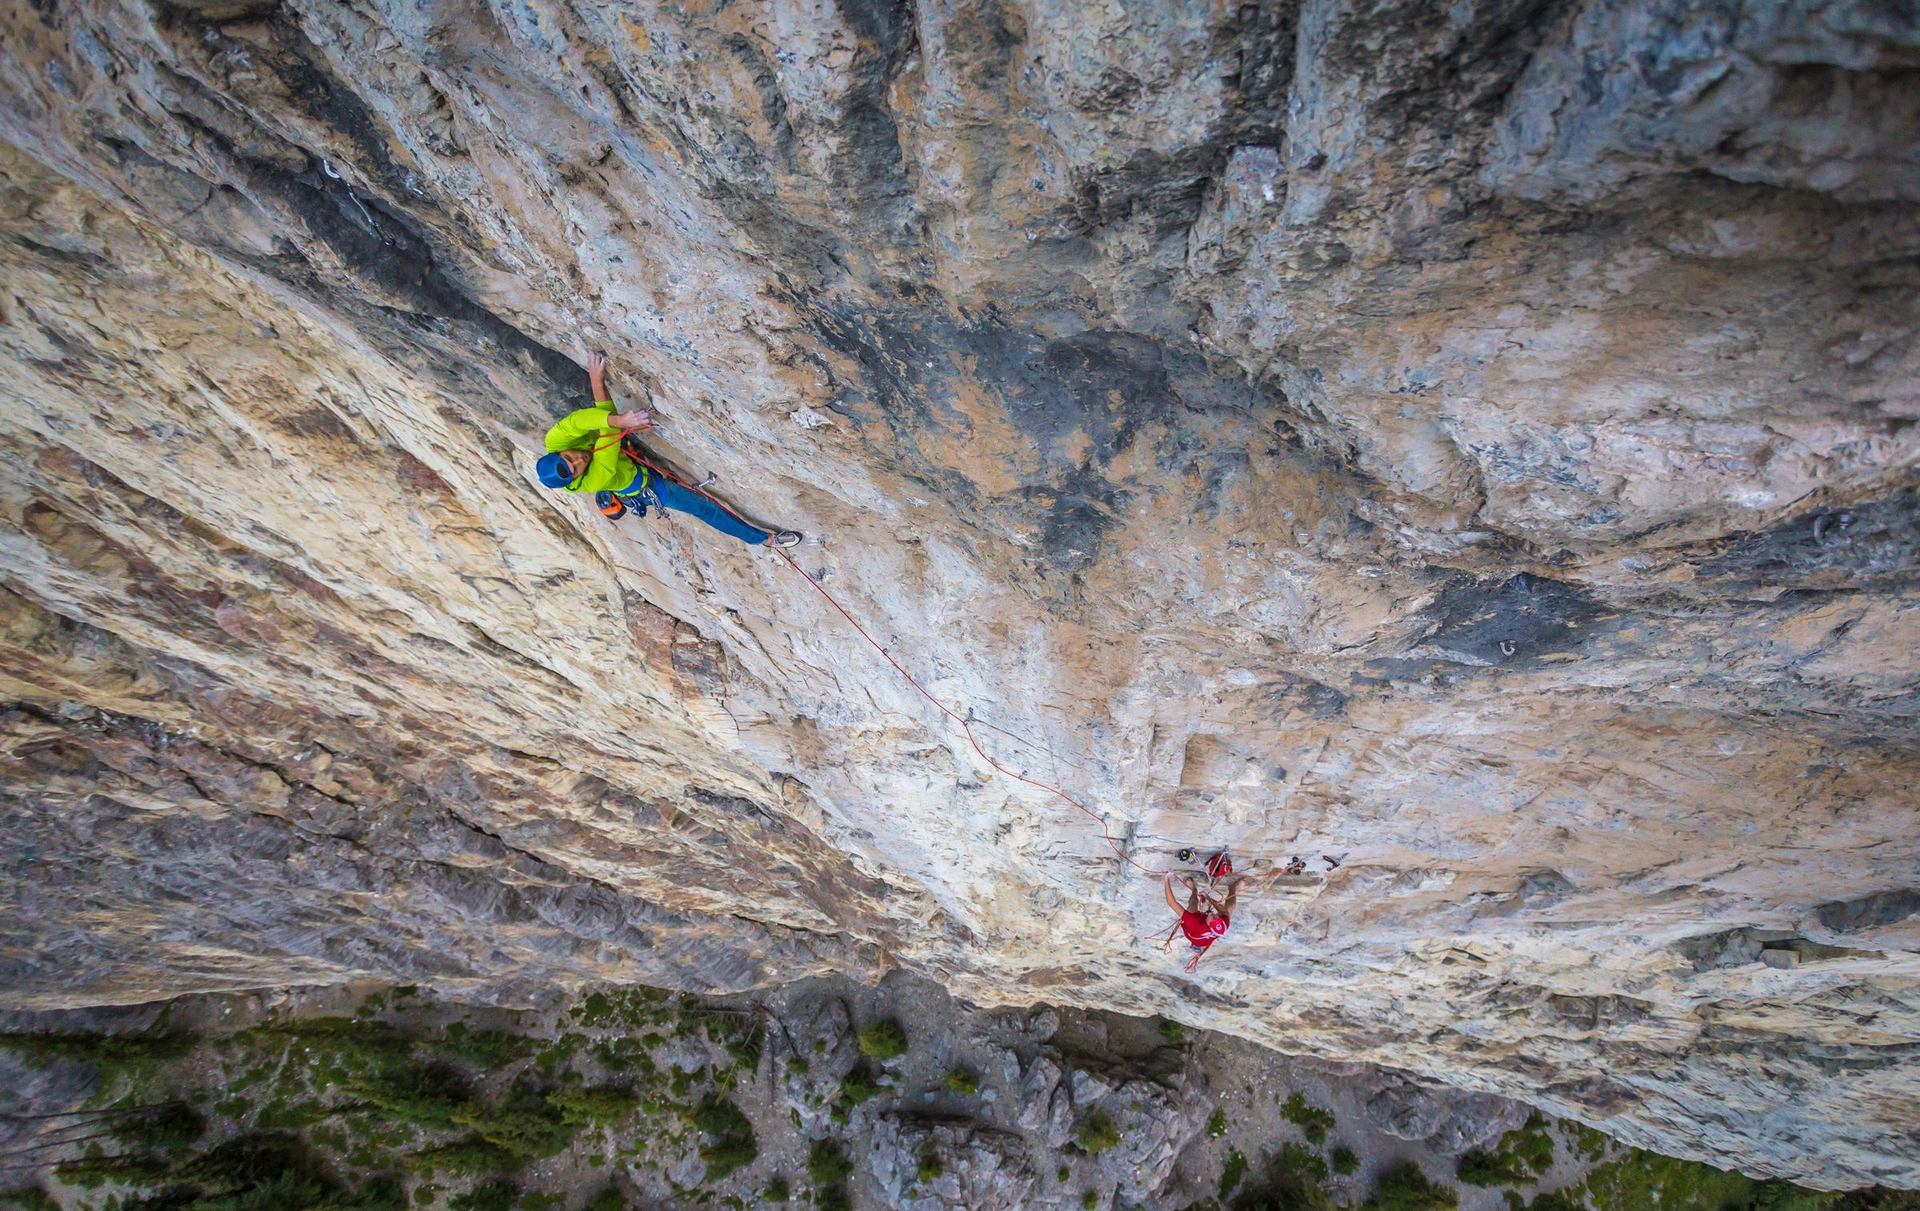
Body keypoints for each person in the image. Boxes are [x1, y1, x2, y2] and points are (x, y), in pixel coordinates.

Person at [536, 353, 801, 549]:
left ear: (559, 452)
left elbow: (581, 421)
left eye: (570, 458)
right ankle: (765, 540)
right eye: (575, 469)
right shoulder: (594, 480)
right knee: (703, 508)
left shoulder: (556, 438)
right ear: (575, 479)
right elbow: (609, 432)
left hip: (629, 458)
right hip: (642, 485)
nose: (579, 460)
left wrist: (596, 381)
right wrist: (616, 417)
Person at [1157, 854, 1286, 972]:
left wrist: (1167, 878)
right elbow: (1222, 912)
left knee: (1192, 906)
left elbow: (1171, 903)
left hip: (1193, 931)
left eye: (1213, 918)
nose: (1214, 915)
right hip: (1201, 939)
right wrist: (1208, 898)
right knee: (1230, 909)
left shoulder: (1194, 923)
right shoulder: (1223, 924)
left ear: (1208, 924)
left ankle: (1194, 890)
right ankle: (1233, 888)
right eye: (1217, 917)